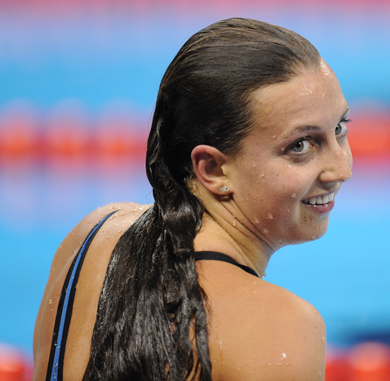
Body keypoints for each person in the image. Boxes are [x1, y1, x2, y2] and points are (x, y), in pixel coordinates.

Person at [33, 17, 352, 381]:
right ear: (213, 169)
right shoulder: (280, 325)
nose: (340, 169)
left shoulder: (92, 236)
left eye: (340, 128)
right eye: (300, 145)